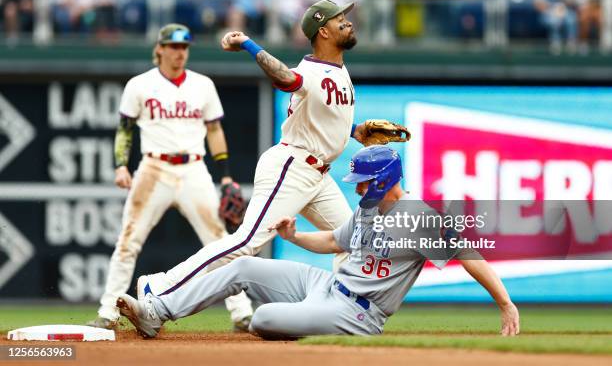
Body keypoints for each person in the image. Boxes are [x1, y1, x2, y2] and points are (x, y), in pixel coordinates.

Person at [116, 146, 520, 339]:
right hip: (323, 285)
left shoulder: (417, 216)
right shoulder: (368, 208)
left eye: (362, 181)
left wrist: (505, 304)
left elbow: (468, 254)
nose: (357, 187)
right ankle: (158, 310)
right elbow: (331, 240)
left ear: (381, 180)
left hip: (358, 313)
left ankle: (306, 318)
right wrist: (293, 236)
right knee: (241, 267)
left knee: (264, 319)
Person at [133, 0, 377, 305]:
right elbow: (286, 79)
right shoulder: (311, 70)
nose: (348, 22)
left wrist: (357, 132)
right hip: (293, 166)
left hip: (319, 176)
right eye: (339, 19)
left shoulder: (338, 70)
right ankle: (157, 286)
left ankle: (341, 307)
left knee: (351, 240)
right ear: (323, 32)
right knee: (246, 242)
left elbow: (322, 114)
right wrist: (249, 44)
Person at [87, 23, 253, 332]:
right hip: (153, 169)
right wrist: (120, 165)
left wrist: (227, 175)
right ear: (160, 49)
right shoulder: (139, 84)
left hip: (194, 168)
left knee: (220, 242)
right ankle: (108, 312)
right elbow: (125, 129)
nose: (180, 53)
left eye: (184, 47)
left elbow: (215, 131)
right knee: (128, 241)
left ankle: (242, 313)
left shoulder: (202, 85)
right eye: (174, 46)